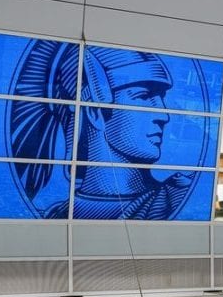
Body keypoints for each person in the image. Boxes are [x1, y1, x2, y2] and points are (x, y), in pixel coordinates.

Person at [70, 47, 199, 220]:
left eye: (161, 98)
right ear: (95, 113)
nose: (164, 116)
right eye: (143, 97)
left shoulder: (174, 198)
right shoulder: (57, 212)